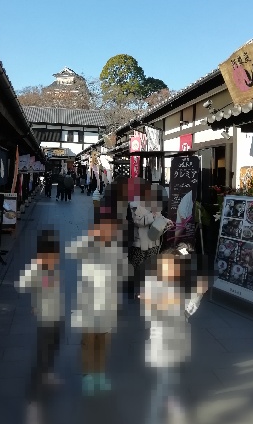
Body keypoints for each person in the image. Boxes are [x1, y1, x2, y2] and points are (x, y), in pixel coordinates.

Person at [139, 244, 208, 424]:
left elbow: (186, 313)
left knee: (174, 376)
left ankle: (172, 402)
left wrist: (197, 294)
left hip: (179, 340)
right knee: (164, 382)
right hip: (162, 344)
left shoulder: (181, 287)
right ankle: (153, 418)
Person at [65, 209, 130, 396]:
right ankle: (87, 376)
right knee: (88, 342)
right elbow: (70, 251)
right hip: (87, 304)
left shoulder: (117, 250)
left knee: (103, 343)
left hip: (107, 304)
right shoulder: (87, 245)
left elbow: (124, 273)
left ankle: (100, 375)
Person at [15, 229, 64, 421]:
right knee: (42, 357)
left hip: (57, 316)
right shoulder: (37, 268)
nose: (54, 258)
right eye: (50, 254)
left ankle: (48, 374)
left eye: (55, 254)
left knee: (54, 347)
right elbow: (21, 285)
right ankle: (32, 402)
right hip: (45, 320)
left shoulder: (52, 267)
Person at [128, 182, 170, 300]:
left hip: (153, 241)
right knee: (138, 267)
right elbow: (139, 221)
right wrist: (153, 215)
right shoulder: (134, 205)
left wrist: (167, 221)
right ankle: (136, 291)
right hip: (140, 243)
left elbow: (160, 217)